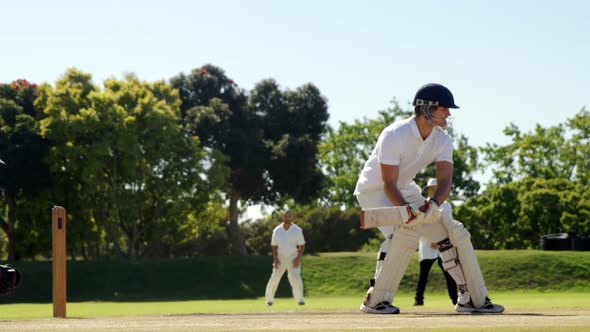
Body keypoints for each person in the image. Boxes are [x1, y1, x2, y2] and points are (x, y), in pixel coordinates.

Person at [354, 83, 504, 314]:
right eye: (444, 108)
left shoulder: (442, 140)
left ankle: (471, 298)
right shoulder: (395, 134)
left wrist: (433, 205)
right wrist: (407, 211)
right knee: (406, 232)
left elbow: (444, 182)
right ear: (427, 108)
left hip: (405, 188)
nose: (449, 114)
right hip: (374, 190)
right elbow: (388, 183)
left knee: (453, 234)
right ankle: (376, 301)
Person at [414, 178, 458, 306]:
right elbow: (421, 225)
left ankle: (455, 299)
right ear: (428, 190)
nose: (433, 191)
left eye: (435, 188)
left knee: (449, 273)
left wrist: (439, 241)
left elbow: (448, 225)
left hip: (443, 244)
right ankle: (418, 299)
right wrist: (432, 239)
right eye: (431, 188)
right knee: (423, 276)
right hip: (427, 246)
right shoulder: (423, 205)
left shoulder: (446, 205)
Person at [264, 210, 306, 306]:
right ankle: (269, 300)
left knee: (295, 278)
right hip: (280, 257)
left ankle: (300, 300)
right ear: (283, 217)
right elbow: (274, 246)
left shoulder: (297, 230)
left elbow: (302, 245)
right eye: (286, 216)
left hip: (293, 257)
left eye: (289, 216)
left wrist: (298, 258)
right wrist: (275, 258)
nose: (288, 218)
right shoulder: (277, 230)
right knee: (274, 278)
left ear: (292, 217)